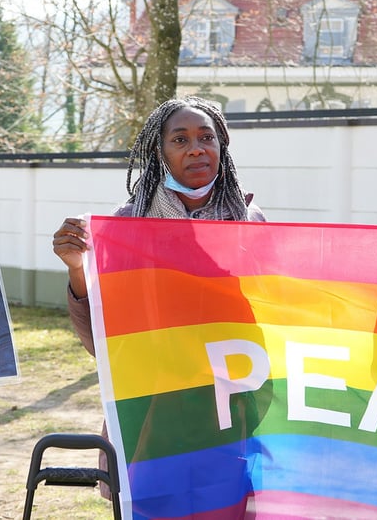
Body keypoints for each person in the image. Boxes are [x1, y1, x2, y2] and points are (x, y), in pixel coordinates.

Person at [51, 95, 266, 498]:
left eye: (207, 137)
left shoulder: (249, 223)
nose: (197, 148)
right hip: (150, 410)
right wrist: (79, 269)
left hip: (228, 407)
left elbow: (269, 316)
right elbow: (103, 343)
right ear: (160, 152)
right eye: (180, 140)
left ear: (222, 145)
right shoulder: (127, 228)